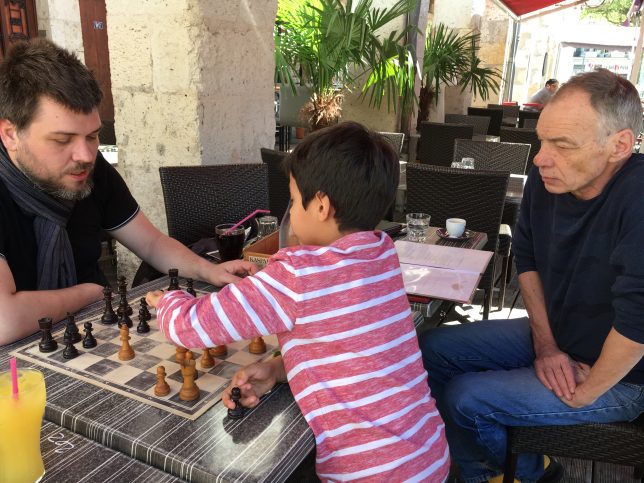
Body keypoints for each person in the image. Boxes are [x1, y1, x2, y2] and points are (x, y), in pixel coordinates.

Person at [146, 122, 450, 482]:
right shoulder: (382, 256)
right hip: (429, 455)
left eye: (292, 201)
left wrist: (167, 301)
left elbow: (193, 327)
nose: (290, 212)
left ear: (321, 205)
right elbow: (349, 350)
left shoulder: (299, 273)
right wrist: (279, 369)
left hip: (367, 473)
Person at [420, 68, 644, 483]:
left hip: (623, 374)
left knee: (467, 399)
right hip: (559, 336)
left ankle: (510, 475)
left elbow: (638, 322)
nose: (541, 157)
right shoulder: (549, 181)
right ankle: (503, 466)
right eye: (543, 139)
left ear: (619, 146)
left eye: (562, 144)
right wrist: (546, 345)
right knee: (429, 349)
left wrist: (587, 391)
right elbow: (528, 258)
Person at [0, 39, 256, 345]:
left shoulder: (92, 171)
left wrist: (208, 270)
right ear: (11, 134)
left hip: (88, 339)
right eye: (62, 140)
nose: (84, 154)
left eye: (92, 136)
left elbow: (151, 243)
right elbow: (5, 321)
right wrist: (89, 293)